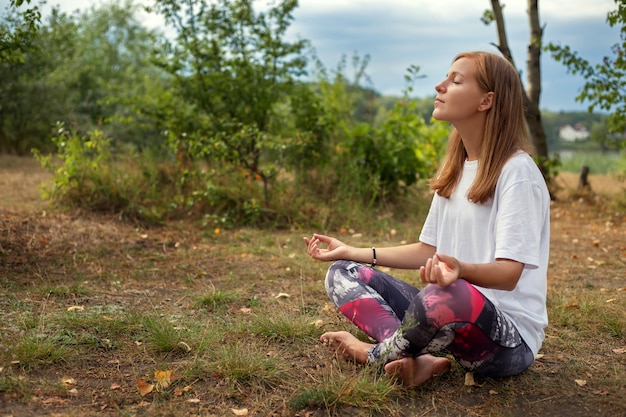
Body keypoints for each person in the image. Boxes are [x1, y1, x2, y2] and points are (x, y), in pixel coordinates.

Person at [303, 51, 550, 387]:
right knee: (341, 273)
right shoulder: (456, 169)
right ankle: (411, 359)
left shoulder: (517, 173)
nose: (440, 85)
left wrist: (460, 271)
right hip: (449, 316)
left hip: (507, 342)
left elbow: (509, 275)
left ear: (486, 101)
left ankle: (370, 353)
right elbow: (426, 250)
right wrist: (351, 251)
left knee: (444, 293)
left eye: (456, 80)